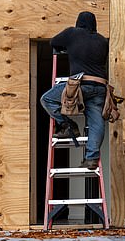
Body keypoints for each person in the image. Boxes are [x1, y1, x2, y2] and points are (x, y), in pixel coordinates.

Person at [40, 11, 109, 170]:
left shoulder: (72, 33)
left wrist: (69, 46)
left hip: (80, 84)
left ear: (79, 22)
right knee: (96, 121)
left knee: (47, 99)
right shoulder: (101, 40)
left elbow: (53, 42)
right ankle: (91, 158)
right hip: (100, 87)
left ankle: (68, 126)